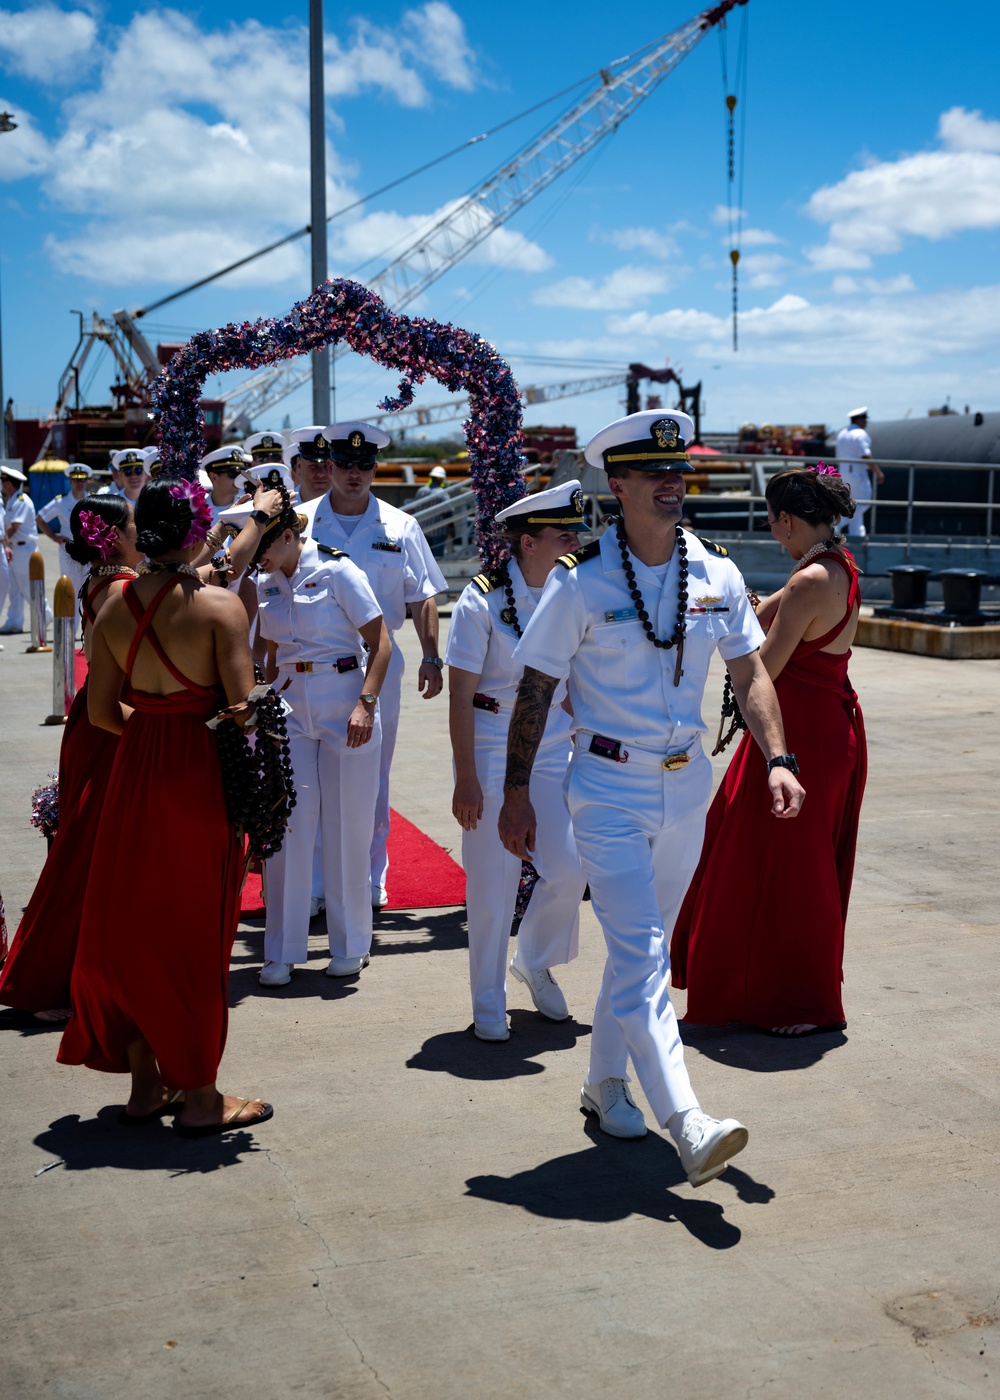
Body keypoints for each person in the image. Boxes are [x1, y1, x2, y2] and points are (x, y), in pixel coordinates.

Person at [498, 409, 805, 1188]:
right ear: (620, 484)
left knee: (643, 949)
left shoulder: (719, 573)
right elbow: (535, 688)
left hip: (686, 785)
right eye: (655, 474)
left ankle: (605, 1084)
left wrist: (778, 756)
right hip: (604, 786)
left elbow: (749, 672)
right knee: (643, 954)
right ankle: (688, 1120)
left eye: (680, 473)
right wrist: (515, 792)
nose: (674, 485)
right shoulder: (580, 581)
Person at [57, 478, 272, 1136]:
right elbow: (241, 713)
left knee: (132, 928)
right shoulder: (219, 609)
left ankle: (147, 1088)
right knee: (193, 934)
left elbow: (99, 711)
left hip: (135, 774)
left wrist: (153, 733)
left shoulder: (114, 606)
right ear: (194, 529)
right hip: (197, 779)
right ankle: (203, 1099)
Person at [671, 465, 867, 1036]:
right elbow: (758, 621)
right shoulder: (833, 565)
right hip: (820, 729)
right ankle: (776, 990)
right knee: (782, 861)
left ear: (784, 520)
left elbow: (765, 666)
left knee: (793, 867)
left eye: (771, 521)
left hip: (800, 733)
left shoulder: (808, 580)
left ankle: (804, 1002)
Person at [446, 482, 587, 1042]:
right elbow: (460, 697)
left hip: (552, 747)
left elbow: (573, 684)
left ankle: (532, 958)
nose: (575, 542)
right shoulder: (481, 600)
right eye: (564, 534)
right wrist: (466, 779)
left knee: (570, 869)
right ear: (528, 543)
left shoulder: (571, 593)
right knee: (492, 884)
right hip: (487, 739)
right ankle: (487, 1000)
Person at [0, 496, 143, 1020]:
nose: (142, 531)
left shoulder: (106, 580)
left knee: (87, 850)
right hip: (114, 725)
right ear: (115, 536)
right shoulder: (124, 589)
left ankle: (64, 972)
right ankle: (48, 980)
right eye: (134, 525)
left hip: (98, 719)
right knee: (85, 853)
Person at [302, 422, 447, 910]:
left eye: (365, 465)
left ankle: (369, 877)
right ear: (329, 467)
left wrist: (431, 655)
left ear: (374, 468)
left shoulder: (400, 525)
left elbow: (423, 594)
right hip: (310, 663)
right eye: (344, 464)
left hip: (376, 666)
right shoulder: (300, 523)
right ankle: (321, 885)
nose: (354, 474)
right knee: (314, 780)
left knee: (374, 777)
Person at [254, 501, 392, 985]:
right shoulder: (264, 581)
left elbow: (382, 642)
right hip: (290, 705)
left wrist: (367, 704)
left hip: (343, 700)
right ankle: (281, 950)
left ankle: (352, 942)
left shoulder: (338, 570)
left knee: (345, 827)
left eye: (265, 542)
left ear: (289, 535)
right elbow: (270, 655)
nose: (258, 553)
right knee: (287, 826)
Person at [1, 464, 50, 634]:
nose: (1, 484)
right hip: (16, 549)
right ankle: (14, 621)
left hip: (24, 549)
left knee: (28, 587)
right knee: (14, 588)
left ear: (9, 483)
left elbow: (14, 527)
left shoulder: (21, 501)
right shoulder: (12, 500)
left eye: (3, 481)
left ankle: (46, 614)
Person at [36, 463, 94, 604]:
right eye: (76, 480)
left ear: (87, 481)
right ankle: (71, 625)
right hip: (68, 550)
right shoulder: (61, 501)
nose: (79, 483)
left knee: (91, 588)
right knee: (70, 590)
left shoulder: (93, 500)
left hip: (89, 550)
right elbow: (40, 518)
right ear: (70, 481)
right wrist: (53, 536)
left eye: (82, 479)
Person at [834, 407, 884, 538]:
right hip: (857, 474)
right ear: (859, 419)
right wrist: (878, 472)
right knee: (863, 503)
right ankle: (837, 524)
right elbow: (865, 455)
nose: (866, 422)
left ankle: (857, 534)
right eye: (865, 419)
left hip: (843, 473)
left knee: (852, 503)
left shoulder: (842, 433)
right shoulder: (860, 434)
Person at [200, 445, 252, 523]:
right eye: (233, 473)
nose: (238, 479)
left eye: (241, 473)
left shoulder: (249, 505)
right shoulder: (197, 511)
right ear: (213, 477)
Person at [284, 425, 332, 504]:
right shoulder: (282, 508)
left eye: (326, 467)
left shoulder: (351, 509)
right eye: (313, 466)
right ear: (299, 465)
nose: (321, 474)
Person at [412, 464, 450, 557]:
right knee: (437, 559)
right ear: (440, 479)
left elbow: (415, 508)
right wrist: (451, 528)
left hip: (423, 530)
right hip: (438, 531)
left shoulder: (421, 491)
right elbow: (449, 511)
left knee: (424, 558)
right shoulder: (441, 493)